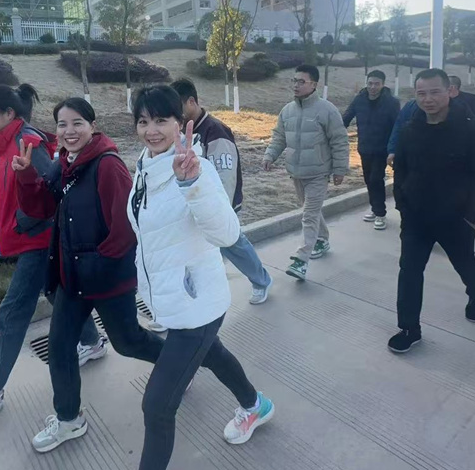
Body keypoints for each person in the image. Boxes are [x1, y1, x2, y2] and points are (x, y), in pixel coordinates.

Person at [87, 85, 274, 470]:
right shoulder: (144, 167)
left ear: (180, 122)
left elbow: (226, 233)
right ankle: (255, 405)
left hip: (199, 305)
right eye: (143, 120)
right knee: (214, 356)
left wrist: (193, 184)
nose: (151, 130)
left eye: (161, 120)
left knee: (157, 406)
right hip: (173, 303)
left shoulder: (196, 168)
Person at [13, 97, 165, 453]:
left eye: (77, 123)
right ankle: (69, 419)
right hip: (73, 278)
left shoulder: (107, 165)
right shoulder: (65, 163)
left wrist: (98, 264)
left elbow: (126, 228)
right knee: (60, 346)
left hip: (106, 277)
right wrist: (26, 176)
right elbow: (41, 208)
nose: (69, 131)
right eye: (62, 124)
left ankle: (176, 363)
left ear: (92, 126)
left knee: (128, 342)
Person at [0, 85, 103, 420]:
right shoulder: (8, 143)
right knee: (57, 294)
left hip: (38, 243)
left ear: (8, 114)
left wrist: (22, 222)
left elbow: (50, 191)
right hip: (31, 239)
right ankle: (92, 342)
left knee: (12, 313)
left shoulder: (27, 142)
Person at [388, 68, 475, 353]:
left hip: (456, 219)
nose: (428, 99)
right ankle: (409, 328)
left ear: (450, 91)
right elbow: (401, 170)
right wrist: (402, 204)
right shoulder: (410, 130)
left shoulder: (474, 131)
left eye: (435, 92)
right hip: (416, 217)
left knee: (464, 263)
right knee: (409, 270)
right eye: (421, 93)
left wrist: (473, 218)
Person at [171, 77, 273, 303]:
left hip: (217, 204)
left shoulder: (215, 131)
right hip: (197, 203)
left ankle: (261, 281)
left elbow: (226, 175)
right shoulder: (183, 131)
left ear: (191, 102)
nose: (175, 114)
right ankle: (194, 296)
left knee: (233, 244)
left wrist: (219, 210)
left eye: (177, 108)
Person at [262, 64, 349, 280]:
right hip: (296, 172)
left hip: (319, 173)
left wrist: (340, 169)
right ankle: (322, 239)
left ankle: (301, 261)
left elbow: (339, 141)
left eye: (302, 81)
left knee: (308, 215)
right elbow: (279, 137)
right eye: (294, 80)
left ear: (314, 84)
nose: (296, 85)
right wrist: (269, 155)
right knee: (311, 210)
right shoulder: (287, 111)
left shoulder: (327, 110)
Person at [342, 70, 400, 230]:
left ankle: (380, 213)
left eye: (376, 84)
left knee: (376, 178)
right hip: (364, 147)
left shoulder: (391, 102)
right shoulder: (359, 99)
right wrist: (333, 130)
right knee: (369, 179)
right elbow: (346, 117)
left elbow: (398, 126)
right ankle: (375, 209)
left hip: (382, 149)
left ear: (383, 84)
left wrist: (394, 149)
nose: (373, 87)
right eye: (370, 83)